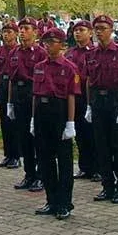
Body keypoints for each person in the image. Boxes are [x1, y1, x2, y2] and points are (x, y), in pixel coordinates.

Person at [31, 28, 79, 220]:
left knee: (64, 160)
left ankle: (64, 203)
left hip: (59, 111)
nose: (48, 46)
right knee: (45, 159)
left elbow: (71, 96)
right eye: (46, 43)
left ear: (62, 45)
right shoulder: (39, 66)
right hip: (42, 113)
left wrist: (70, 122)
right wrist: (34, 119)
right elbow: (36, 94)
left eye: (52, 42)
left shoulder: (69, 68)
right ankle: (51, 200)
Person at [85, 15, 118, 204]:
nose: (99, 31)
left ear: (111, 29)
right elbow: (89, 81)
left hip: (115, 100)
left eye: (103, 28)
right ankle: (107, 185)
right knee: (101, 146)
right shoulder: (91, 54)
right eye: (96, 28)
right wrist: (89, 105)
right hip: (98, 100)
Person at [8, 17, 47, 193]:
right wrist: (9, 102)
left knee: (38, 137)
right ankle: (29, 173)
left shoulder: (41, 53)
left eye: (26, 28)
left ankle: (41, 175)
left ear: (35, 32)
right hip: (18, 94)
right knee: (23, 137)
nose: (22, 31)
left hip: (34, 94)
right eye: (21, 28)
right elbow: (11, 78)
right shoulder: (14, 52)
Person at [65, 20, 97, 181]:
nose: (77, 33)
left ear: (90, 33)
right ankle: (85, 167)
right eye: (76, 30)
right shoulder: (70, 53)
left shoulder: (95, 52)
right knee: (81, 134)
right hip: (75, 98)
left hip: (90, 97)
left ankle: (98, 168)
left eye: (82, 30)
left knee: (94, 134)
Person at [0, 20, 21, 169]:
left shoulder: (18, 50)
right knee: (4, 121)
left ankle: (16, 155)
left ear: (16, 34)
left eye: (9, 32)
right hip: (3, 85)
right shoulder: (0, 50)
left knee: (14, 121)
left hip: (14, 86)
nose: (6, 35)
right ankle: (8, 154)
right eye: (4, 32)